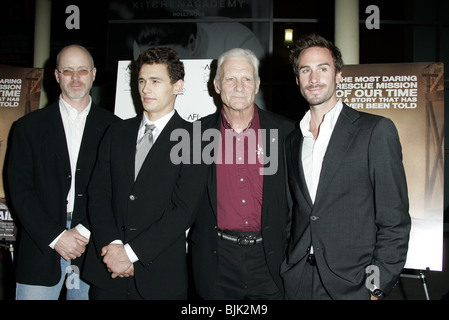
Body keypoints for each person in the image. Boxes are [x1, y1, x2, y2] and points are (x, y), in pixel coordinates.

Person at [280, 33, 411, 300]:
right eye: (306, 70)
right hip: (299, 280)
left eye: (323, 68)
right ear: (297, 80)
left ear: (339, 75)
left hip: (354, 285)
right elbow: (294, 213)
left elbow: (394, 221)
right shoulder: (293, 140)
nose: (314, 78)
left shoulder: (375, 130)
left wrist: (376, 287)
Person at [83, 47, 207, 300]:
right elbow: (98, 194)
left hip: (159, 276)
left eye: (155, 81)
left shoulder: (195, 140)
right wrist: (114, 247)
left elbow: (183, 211)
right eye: (141, 81)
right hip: (107, 273)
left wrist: (130, 253)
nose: (145, 89)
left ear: (177, 86)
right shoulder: (115, 132)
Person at [5, 44, 119, 300]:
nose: (75, 78)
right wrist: (56, 236)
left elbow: (117, 190)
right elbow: (19, 190)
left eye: (82, 70)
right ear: (56, 76)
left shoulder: (116, 128)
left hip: (92, 249)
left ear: (93, 74)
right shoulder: (27, 127)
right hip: (40, 245)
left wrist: (85, 232)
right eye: (68, 71)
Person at [189, 48, 295, 300]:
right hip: (215, 261)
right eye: (230, 78)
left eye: (246, 78)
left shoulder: (286, 132)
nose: (239, 86)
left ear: (257, 84)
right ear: (216, 85)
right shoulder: (195, 136)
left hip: (272, 261)